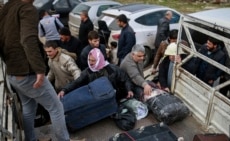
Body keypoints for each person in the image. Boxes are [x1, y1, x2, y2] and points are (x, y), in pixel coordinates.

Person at [0, 0, 70, 140]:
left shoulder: (8, 7)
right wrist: (39, 69)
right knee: (56, 108)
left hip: (14, 72)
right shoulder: (27, 9)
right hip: (28, 72)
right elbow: (28, 39)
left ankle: (30, 138)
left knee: (29, 106)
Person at [58, 48, 134, 101]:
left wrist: (129, 90)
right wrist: (65, 90)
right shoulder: (87, 72)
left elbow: (125, 79)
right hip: (99, 99)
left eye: (93, 61)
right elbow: (77, 82)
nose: (90, 63)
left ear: (99, 60)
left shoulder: (112, 69)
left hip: (114, 97)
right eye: (89, 60)